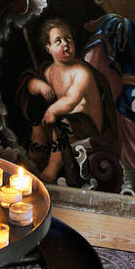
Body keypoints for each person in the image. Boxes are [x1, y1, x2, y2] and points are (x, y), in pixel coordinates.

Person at [24, 20, 110, 184]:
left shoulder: (81, 71)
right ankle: (33, 164)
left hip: (86, 125)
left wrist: (52, 111)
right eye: (58, 41)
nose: (65, 44)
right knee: (38, 126)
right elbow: (29, 85)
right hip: (62, 120)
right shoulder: (48, 71)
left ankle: (51, 171)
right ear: (48, 48)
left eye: (68, 39)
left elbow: (71, 100)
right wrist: (39, 85)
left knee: (62, 125)